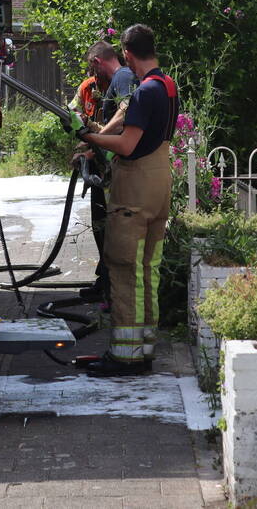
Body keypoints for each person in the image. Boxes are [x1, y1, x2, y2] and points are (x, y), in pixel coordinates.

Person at [78, 24, 179, 377]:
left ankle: (126, 357)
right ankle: (144, 348)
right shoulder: (167, 86)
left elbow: (127, 145)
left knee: (124, 268)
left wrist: (90, 135)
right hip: (159, 182)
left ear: (128, 53)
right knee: (148, 269)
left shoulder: (144, 92)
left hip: (135, 188)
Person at [78, 41, 137, 305]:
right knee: (102, 228)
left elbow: (125, 113)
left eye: (93, 66)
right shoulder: (105, 84)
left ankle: (114, 293)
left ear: (98, 61)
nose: (92, 73)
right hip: (106, 170)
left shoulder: (123, 76)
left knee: (111, 231)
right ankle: (106, 285)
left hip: (116, 171)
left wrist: (98, 137)